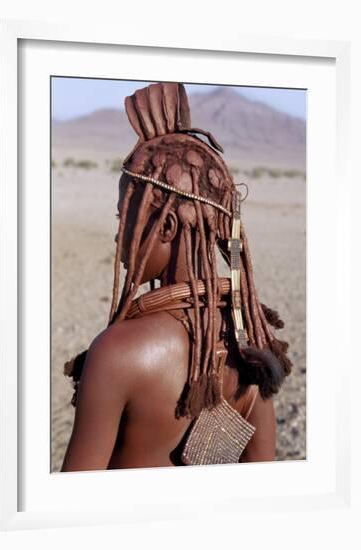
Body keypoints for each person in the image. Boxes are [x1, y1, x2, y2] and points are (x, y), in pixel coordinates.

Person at [61, 82, 291, 471]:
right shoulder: (250, 347)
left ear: (167, 226)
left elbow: (71, 500)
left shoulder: (118, 352)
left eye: (125, 218)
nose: (119, 235)